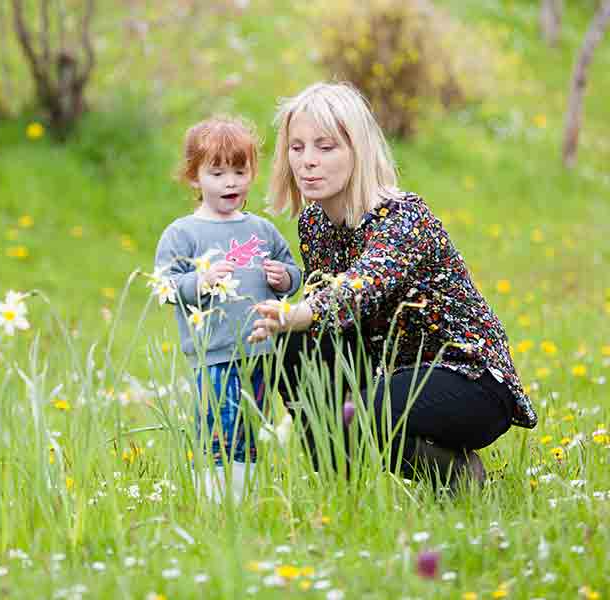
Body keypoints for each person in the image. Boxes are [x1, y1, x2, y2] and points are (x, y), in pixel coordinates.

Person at [249, 82, 537, 490]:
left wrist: (300, 312)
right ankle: (340, 490)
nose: (307, 162)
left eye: (325, 147)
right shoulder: (314, 225)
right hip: (394, 376)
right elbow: (333, 327)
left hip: (468, 380)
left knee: (355, 411)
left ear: (358, 151)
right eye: (297, 148)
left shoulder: (404, 217)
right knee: (296, 346)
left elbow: (366, 283)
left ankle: (456, 477)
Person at [153, 115, 302, 500]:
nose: (230, 182)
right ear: (193, 177)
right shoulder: (183, 233)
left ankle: (244, 496)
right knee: (220, 425)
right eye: (217, 173)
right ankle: (216, 497)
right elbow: (164, 287)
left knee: (251, 425)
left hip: (260, 349)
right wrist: (198, 283)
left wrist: (283, 279)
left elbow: (293, 272)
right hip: (214, 352)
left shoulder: (262, 229)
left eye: (240, 171)